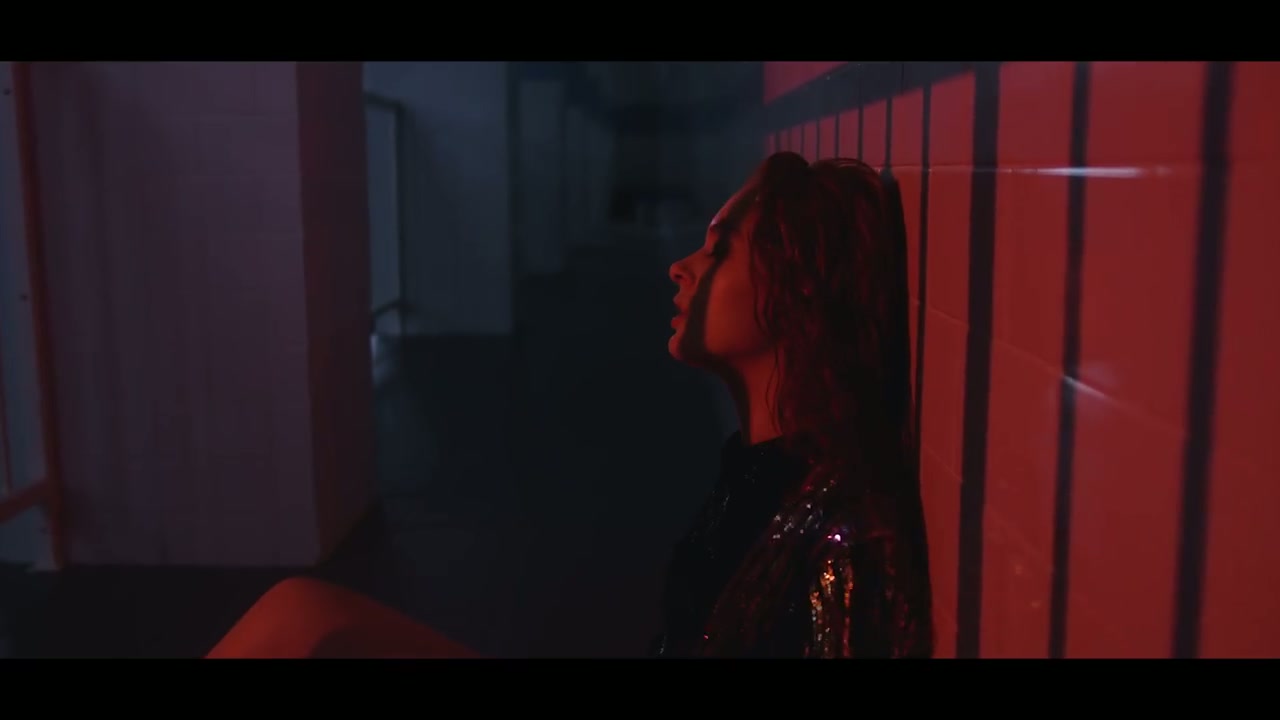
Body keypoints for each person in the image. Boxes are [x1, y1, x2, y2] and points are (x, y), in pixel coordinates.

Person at [652, 151, 933, 658]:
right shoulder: (751, 476)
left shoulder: (844, 526)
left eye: (720, 251)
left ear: (799, 278)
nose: (681, 269)